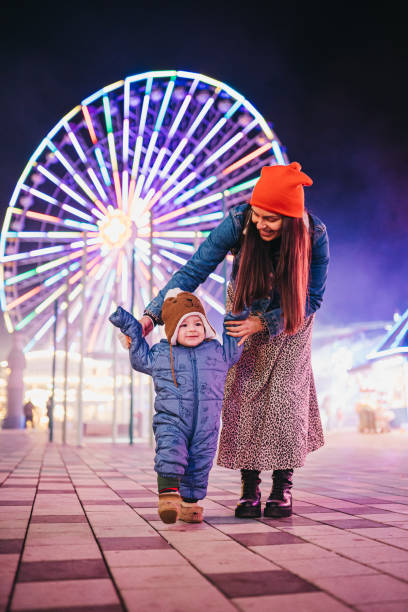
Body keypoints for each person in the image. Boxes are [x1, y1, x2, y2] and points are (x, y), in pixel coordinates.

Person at [139, 162, 329, 519]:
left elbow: (313, 298)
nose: (261, 224)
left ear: (290, 219)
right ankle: (249, 486)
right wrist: (153, 313)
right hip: (243, 308)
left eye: (271, 219)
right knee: (243, 393)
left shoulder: (314, 234)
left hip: (291, 315)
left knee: (286, 396)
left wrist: (267, 322)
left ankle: (281, 486)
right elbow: (195, 268)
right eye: (258, 215)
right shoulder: (240, 221)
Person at [109, 289, 244, 524]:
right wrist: (130, 325)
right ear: (172, 330)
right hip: (172, 420)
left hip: (207, 425)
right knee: (171, 452)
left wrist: (240, 308)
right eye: (183, 325)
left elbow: (235, 342)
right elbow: (140, 357)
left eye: (197, 324)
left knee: (201, 462)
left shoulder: (217, 352)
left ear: (207, 328)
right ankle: (168, 495)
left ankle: (190, 504)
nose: (192, 329)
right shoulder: (162, 354)